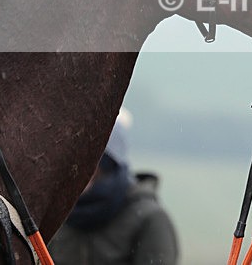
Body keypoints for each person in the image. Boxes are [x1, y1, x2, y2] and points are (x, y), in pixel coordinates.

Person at [49, 113, 180, 265]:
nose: (77, 169)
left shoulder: (149, 220)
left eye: (89, 160)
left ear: (108, 164)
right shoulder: (55, 217)